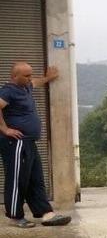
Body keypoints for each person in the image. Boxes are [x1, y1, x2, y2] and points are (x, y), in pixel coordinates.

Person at [0, 62, 71, 229]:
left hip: (29, 141)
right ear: (14, 76)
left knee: (36, 179)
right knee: (17, 179)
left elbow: (36, 82)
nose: (30, 78)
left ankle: (46, 213)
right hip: (16, 143)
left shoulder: (25, 87)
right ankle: (15, 216)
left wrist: (49, 78)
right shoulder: (8, 90)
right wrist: (4, 129)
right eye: (26, 75)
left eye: (30, 74)